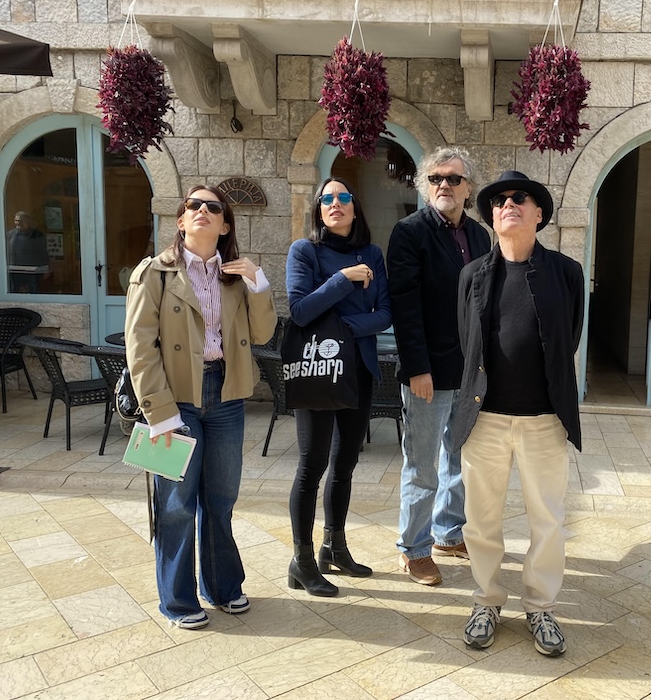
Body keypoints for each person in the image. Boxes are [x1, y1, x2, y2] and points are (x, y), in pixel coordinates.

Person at [125, 185, 277, 629]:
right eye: (194, 205)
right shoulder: (155, 273)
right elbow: (140, 348)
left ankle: (222, 587)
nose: (203, 211)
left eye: (214, 207)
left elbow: (264, 334)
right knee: (176, 504)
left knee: (221, 498)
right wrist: (160, 412)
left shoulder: (236, 276)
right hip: (175, 397)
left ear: (225, 225)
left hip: (226, 394)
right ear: (181, 220)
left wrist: (258, 282)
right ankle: (177, 601)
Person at [451, 170, 584, 657]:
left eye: (520, 197)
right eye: (500, 200)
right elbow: (467, 341)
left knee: (546, 521)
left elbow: (570, 336)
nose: (508, 204)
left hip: (544, 420)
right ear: (491, 215)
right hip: (484, 420)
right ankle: (486, 601)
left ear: (538, 213)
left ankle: (541, 607)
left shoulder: (566, 273)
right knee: (480, 521)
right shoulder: (472, 275)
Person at [387, 147, 492, 586]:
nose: (444, 185)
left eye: (453, 178)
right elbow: (404, 306)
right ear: (424, 186)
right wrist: (417, 368)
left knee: (460, 459)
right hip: (427, 371)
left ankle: (449, 532)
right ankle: (414, 548)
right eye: (435, 179)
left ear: (469, 188)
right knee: (423, 465)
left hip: (470, 371)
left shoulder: (481, 236)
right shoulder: (409, 232)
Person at [285, 177, 391, 596]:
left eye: (344, 196)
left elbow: (384, 313)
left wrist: (343, 329)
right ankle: (302, 561)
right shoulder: (305, 251)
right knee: (312, 466)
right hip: (319, 369)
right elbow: (299, 311)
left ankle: (334, 547)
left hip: (358, 370)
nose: (335, 203)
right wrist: (343, 279)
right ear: (318, 209)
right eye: (326, 198)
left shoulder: (373, 254)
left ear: (354, 207)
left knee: (345, 463)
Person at [6, 211, 49, 293]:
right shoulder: (10, 235)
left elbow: (42, 252)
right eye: (16, 220)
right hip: (14, 271)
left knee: (33, 292)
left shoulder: (37, 234)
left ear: (27, 221)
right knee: (13, 292)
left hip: (32, 272)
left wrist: (46, 268)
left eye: (21, 221)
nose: (18, 223)